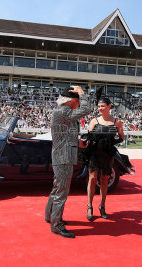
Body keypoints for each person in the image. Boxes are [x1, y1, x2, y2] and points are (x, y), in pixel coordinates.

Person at [45, 86, 92, 238]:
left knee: (57, 188)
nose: (79, 103)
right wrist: (83, 94)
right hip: (63, 157)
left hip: (62, 155)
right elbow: (87, 109)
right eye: (78, 100)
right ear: (72, 100)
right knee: (61, 192)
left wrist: (78, 143)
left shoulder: (63, 112)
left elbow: (62, 135)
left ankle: (51, 217)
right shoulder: (64, 111)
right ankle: (57, 225)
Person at [85, 97, 124, 221]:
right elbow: (88, 137)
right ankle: (89, 206)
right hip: (95, 153)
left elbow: (122, 137)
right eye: (99, 106)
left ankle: (102, 206)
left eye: (102, 106)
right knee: (92, 179)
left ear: (109, 106)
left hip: (107, 155)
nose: (100, 108)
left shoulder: (117, 122)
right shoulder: (94, 121)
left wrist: (112, 142)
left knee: (104, 180)